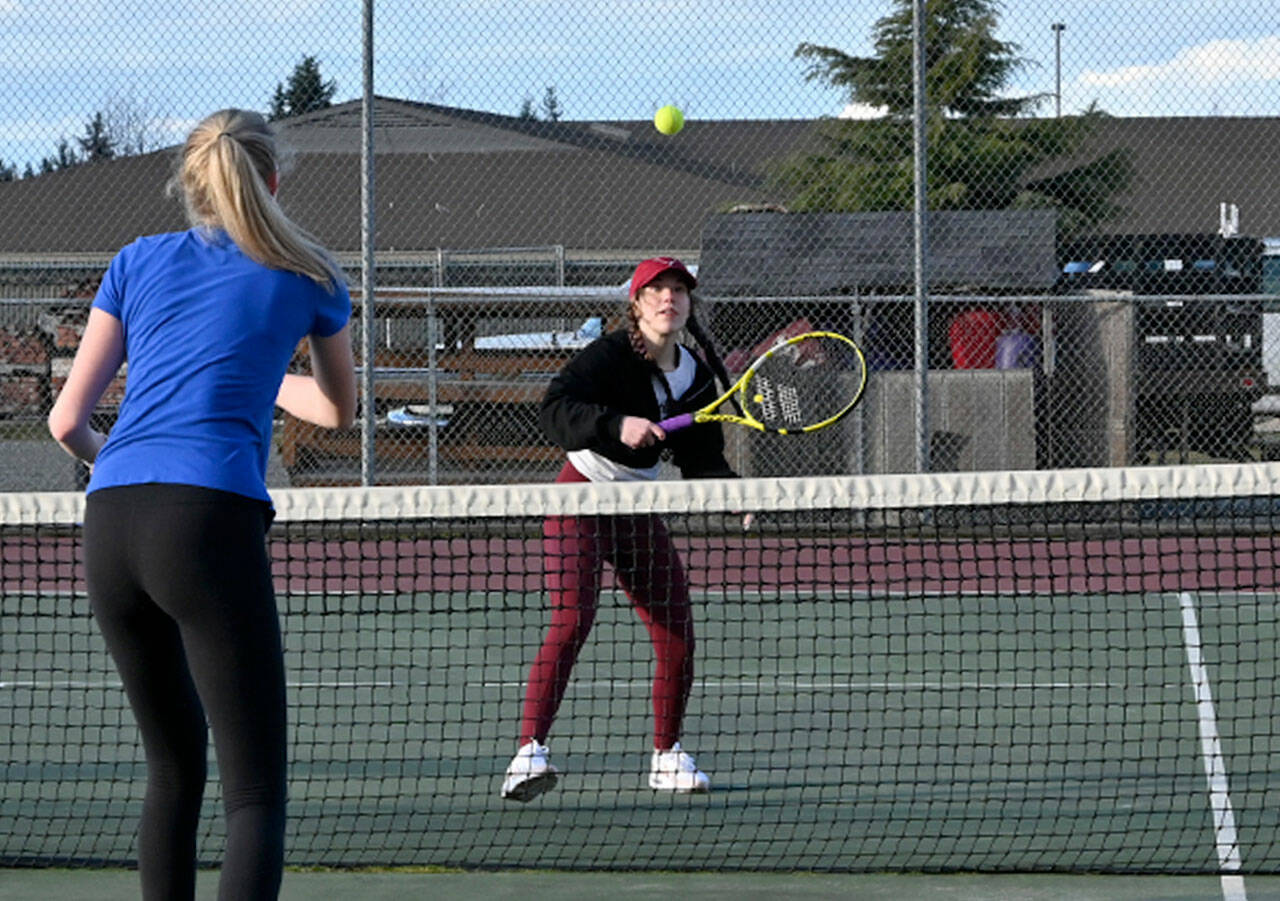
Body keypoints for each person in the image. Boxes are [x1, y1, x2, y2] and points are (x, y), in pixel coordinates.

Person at [47, 109, 356, 900]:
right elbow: (338, 410)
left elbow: (65, 422)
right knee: (254, 795)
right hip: (208, 522)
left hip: (110, 521)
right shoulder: (311, 272)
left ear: (192, 186)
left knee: (172, 768)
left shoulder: (136, 260)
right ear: (274, 179)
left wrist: (125, 468)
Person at [501, 256, 737, 802]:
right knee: (573, 619)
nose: (668, 299)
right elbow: (555, 407)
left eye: (678, 290)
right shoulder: (608, 356)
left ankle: (667, 755)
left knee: (677, 631)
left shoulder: (697, 376)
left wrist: (735, 495)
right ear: (636, 303)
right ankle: (527, 755)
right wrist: (615, 424)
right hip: (580, 495)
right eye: (656, 290)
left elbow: (701, 457)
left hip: (637, 506)